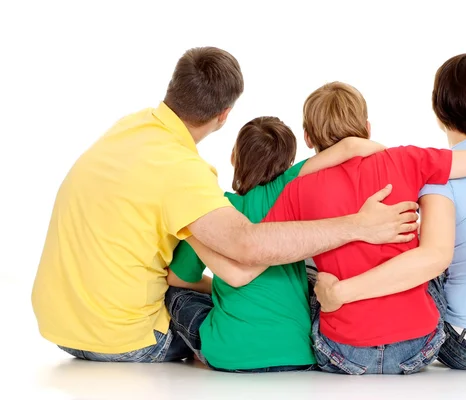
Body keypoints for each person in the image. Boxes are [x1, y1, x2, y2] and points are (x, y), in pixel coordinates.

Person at [30, 47, 419, 363]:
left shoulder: (128, 127)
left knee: (183, 283)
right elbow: (245, 251)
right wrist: (358, 225)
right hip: (125, 340)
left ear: (173, 87)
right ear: (224, 115)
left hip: (58, 327)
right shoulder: (186, 173)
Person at [315, 54, 466, 371]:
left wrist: (340, 291)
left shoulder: (439, 177)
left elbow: (433, 258)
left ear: (438, 110)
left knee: (411, 253)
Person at [254, 81, 466, 374]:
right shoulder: (407, 159)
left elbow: (259, 250)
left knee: (310, 273)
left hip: (344, 351)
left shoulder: (296, 189)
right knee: (431, 255)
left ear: (307, 137)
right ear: (367, 128)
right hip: (417, 346)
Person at [165, 116, 388, 372]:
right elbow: (350, 147)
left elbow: (178, 280)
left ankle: (199, 345)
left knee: (176, 295)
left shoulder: (216, 209)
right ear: (289, 163)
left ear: (233, 157)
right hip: (298, 352)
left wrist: (218, 285)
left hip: (231, 354)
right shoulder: (291, 187)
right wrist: (388, 156)